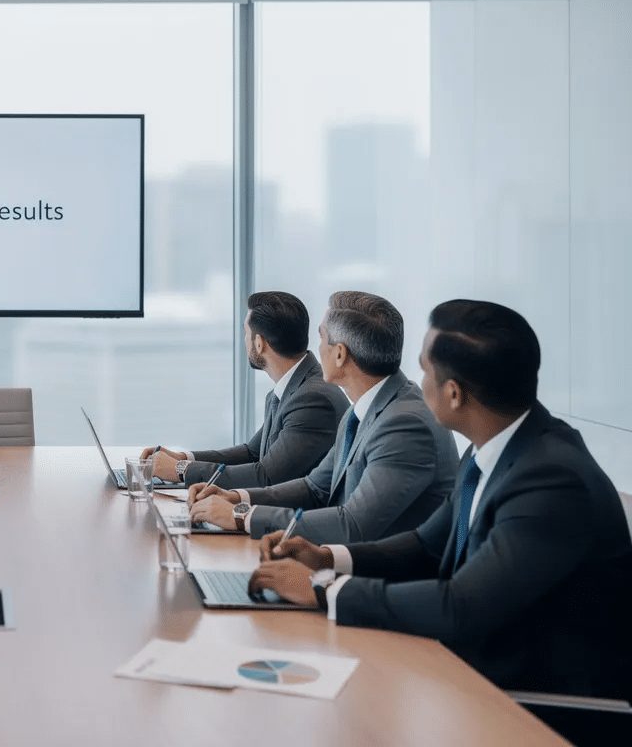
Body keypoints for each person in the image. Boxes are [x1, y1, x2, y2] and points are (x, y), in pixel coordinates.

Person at [250, 300, 632, 746]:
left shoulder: (551, 481)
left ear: (453, 393)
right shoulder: (490, 448)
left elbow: (462, 606)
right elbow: (428, 545)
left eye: (424, 369)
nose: (415, 381)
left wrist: (321, 588)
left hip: (541, 706)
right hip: (474, 669)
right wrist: (326, 557)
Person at [192, 291, 457, 544]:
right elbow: (315, 488)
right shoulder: (365, 407)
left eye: (321, 338)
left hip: (387, 580)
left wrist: (241, 516)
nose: (316, 350)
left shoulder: (405, 425)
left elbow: (352, 525)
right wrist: (236, 498)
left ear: (340, 354)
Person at [142, 291, 348, 488]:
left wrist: (180, 470)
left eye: (246, 333)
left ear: (259, 343)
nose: (245, 341)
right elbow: (252, 453)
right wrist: (184, 458)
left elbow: (266, 476)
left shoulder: (313, 399)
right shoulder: (292, 388)